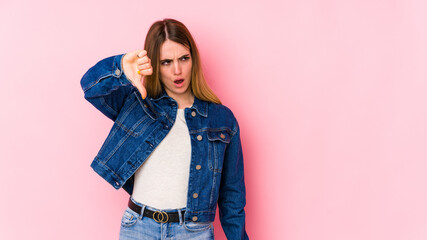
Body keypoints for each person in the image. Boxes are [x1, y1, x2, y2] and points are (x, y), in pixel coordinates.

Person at [80, 18, 249, 240]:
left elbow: (232, 197)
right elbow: (91, 87)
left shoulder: (221, 119)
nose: (177, 70)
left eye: (184, 58)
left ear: (193, 60)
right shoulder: (138, 104)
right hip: (139, 228)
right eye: (166, 62)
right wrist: (121, 65)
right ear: (154, 65)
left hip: (193, 232)